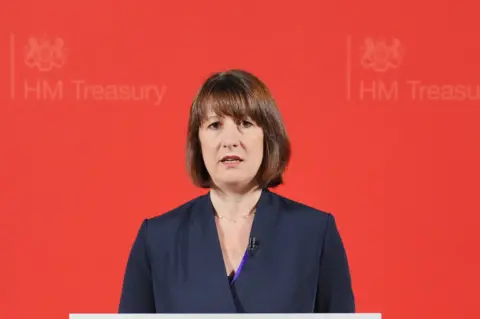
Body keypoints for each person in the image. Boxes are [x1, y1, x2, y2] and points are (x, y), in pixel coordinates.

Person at [118, 69, 355, 313]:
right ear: (197, 141)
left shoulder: (314, 232)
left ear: (267, 137)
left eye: (245, 123)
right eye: (215, 125)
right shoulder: (158, 239)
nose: (230, 140)